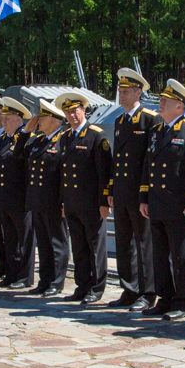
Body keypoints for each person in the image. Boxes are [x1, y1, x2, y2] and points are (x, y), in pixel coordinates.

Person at [140, 79, 185, 321]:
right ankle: (165, 298)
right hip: (157, 204)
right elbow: (148, 166)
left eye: (165, 101)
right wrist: (144, 197)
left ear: (179, 106)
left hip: (180, 206)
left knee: (180, 256)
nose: (160, 103)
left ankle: (183, 301)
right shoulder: (156, 131)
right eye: (161, 100)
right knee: (159, 256)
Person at [54, 92, 112, 304]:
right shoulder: (66, 137)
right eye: (68, 112)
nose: (72, 115)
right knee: (78, 247)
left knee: (95, 247)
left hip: (91, 203)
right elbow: (64, 173)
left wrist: (104, 201)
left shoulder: (96, 136)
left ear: (84, 110)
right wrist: (63, 201)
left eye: (75, 110)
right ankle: (82, 285)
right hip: (72, 202)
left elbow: (104, 172)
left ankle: (96, 287)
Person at [108, 68, 158, 311]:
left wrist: (145, 194)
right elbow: (117, 159)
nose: (122, 95)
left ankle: (148, 292)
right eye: (120, 91)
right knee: (124, 243)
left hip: (139, 192)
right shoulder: (120, 121)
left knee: (144, 243)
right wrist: (111, 189)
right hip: (122, 191)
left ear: (139, 92)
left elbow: (150, 160)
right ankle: (129, 289)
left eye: (126, 91)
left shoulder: (149, 119)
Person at [24, 99, 69, 296]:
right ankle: (45, 280)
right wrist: (26, 132)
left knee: (57, 243)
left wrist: (64, 201)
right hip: (37, 199)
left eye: (42, 117)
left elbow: (65, 174)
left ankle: (57, 282)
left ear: (53, 119)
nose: (38, 121)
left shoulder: (63, 140)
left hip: (53, 200)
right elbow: (19, 155)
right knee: (42, 243)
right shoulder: (38, 140)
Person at [0, 97, 33, 288]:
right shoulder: (2, 140)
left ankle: (25, 277)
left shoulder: (25, 139)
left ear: (19, 119)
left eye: (7, 119)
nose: (4, 122)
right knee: (10, 239)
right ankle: (11, 273)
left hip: (19, 198)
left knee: (24, 240)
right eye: (3, 119)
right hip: (4, 198)